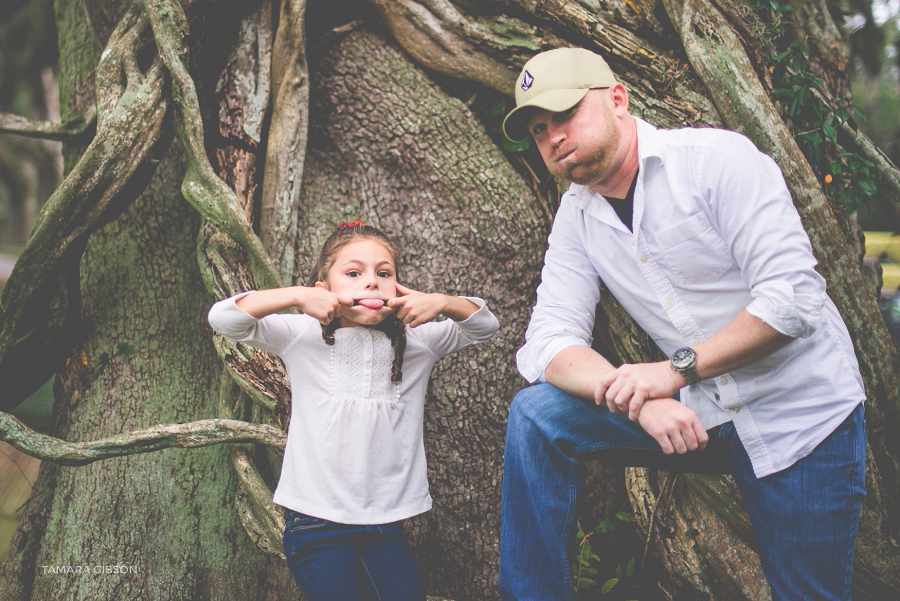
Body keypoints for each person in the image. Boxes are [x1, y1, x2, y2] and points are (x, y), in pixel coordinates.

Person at [498, 48, 867, 601]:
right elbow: (547, 341)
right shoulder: (576, 216)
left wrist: (673, 373)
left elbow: (790, 300)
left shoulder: (714, 161)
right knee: (537, 415)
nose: (552, 136)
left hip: (801, 422)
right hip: (703, 416)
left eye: (565, 114)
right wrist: (640, 401)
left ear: (618, 99)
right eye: (538, 128)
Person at [208, 221, 499, 601]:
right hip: (315, 524)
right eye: (353, 272)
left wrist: (441, 302)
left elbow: (484, 326)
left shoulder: (419, 342)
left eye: (384, 273)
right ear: (324, 288)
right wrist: (298, 296)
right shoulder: (301, 334)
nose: (371, 281)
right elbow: (223, 319)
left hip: (385, 526)